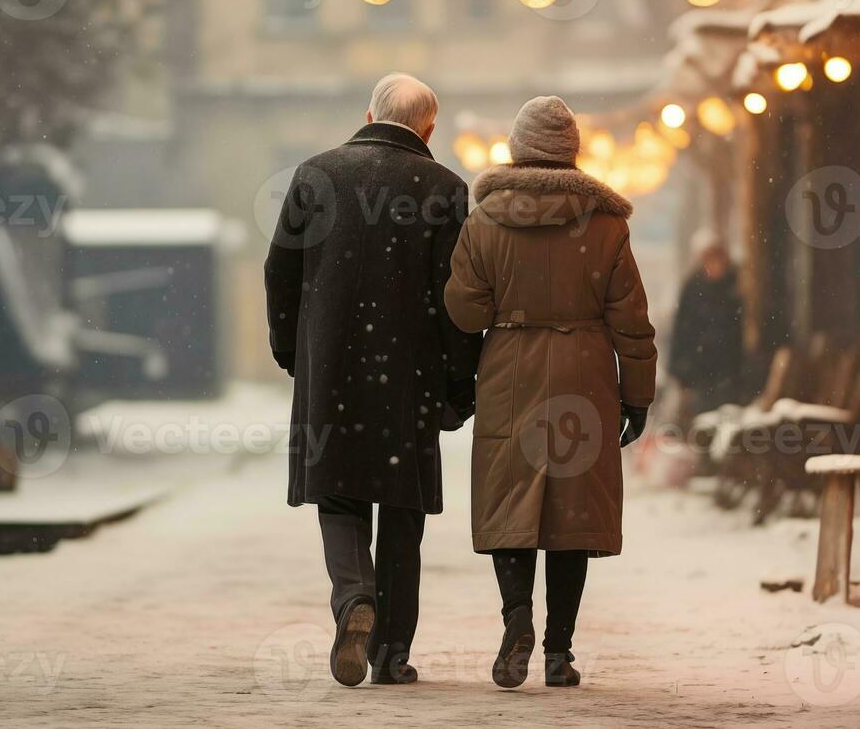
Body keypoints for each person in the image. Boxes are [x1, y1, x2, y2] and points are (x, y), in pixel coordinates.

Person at [264, 73, 482, 688]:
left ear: (368, 113)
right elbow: (456, 300)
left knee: (338, 495)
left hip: (329, 365)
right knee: (402, 508)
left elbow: (279, 271)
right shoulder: (444, 189)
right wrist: (458, 383)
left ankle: (353, 597)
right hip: (409, 375)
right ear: (429, 129)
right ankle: (391, 652)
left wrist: (293, 351)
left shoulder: (316, 175)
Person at [444, 96, 657, 690]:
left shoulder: (484, 219)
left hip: (509, 370)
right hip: (584, 375)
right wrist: (637, 396)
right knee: (572, 513)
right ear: (572, 151)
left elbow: (465, 312)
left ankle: (517, 619)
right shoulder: (607, 224)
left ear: (516, 148)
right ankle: (560, 653)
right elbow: (633, 322)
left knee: (510, 501)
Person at [668, 230, 743, 429]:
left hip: (728, 369)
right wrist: (680, 370)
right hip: (699, 369)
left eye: (717, 260)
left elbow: (739, 329)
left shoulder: (735, 287)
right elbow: (681, 330)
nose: (714, 266)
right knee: (702, 422)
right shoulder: (693, 287)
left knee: (725, 419)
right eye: (709, 260)